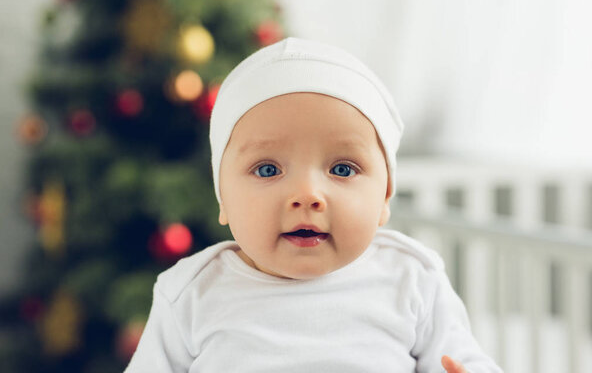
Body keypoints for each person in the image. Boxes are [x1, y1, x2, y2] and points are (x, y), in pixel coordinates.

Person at [124, 37, 503, 373]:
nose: (307, 194)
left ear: (385, 196)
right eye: (268, 169)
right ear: (222, 196)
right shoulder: (191, 293)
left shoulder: (413, 278)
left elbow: (464, 359)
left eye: (342, 168)